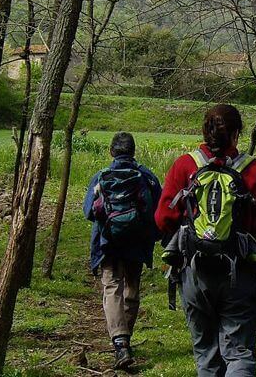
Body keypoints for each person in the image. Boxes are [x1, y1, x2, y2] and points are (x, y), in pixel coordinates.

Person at [156, 104, 256, 377]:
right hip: (241, 275)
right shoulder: (253, 170)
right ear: (237, 134)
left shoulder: (185, 165)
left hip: (195, 272)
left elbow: (163, 217)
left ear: (205, 131)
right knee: (239, 353)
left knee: (206, 356)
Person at [84, 131, 162, 370]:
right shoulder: (146, 176)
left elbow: (89, 212)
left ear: (111, 152)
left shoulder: (101, 177)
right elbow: (158, 212)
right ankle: (124, 340)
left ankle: (120, 343)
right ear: (133, 151)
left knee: (112, 288)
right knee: (131, 289)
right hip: (136, 243)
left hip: (108, 243)